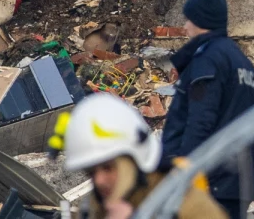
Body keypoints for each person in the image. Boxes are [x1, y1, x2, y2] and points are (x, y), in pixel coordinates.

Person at [161, 0, 254, 218]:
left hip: (212, 180)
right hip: (241, 180)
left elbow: (200, 119)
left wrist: (184, 173)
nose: (186, 27)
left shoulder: (208, 59)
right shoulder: (243, 62)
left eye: (189, 19)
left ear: (202, 21)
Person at [57, 92, 226, 219]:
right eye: (91, 172)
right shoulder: (94, 206)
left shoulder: (187, 206)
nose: (99, 180)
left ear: (134, 160)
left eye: (108, 167)